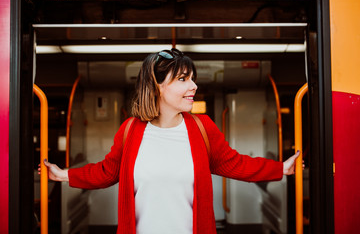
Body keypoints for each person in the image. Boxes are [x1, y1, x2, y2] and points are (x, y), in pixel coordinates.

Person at [39, 48, 301, 234]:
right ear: (157, 87)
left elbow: (235, 163)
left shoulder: (202, 127)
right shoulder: (130, 130)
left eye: (193, 78)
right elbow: (107, 171)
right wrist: (64, 175)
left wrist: (281, 169)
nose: (194, 86)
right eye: (183, 79)